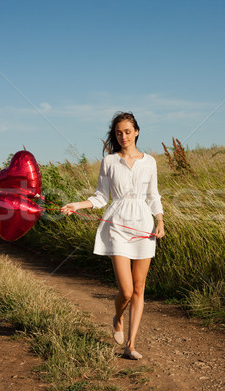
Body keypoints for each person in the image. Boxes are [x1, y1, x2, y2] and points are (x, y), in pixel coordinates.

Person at [60, 112, 165, 360]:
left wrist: (160, 221)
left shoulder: (149, 161)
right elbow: (100, 197)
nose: (123, 136)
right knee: (126, 291)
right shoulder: (109, 161)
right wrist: (77, 204)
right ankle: (117, 317)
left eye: (128, 131)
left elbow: (153, 196)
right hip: (117, 224)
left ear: (137, 131)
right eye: (119, 132)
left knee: (139, 289)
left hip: (143, 224)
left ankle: (130, 345)